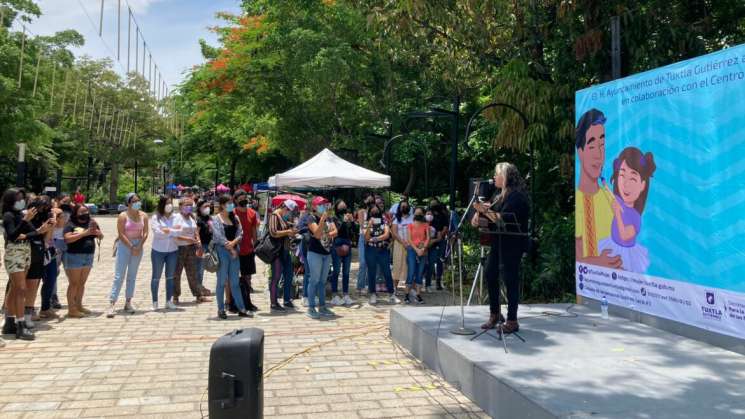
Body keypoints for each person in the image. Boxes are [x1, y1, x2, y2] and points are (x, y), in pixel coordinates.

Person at [472, 162, 530, 333]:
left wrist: (484, 211)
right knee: (490, 273)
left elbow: (503, 219)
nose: (494, 177)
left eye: (497, 174)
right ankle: (495, 313)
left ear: (505, 177)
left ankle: (512, 320)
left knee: (510, 278)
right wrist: (478, 217)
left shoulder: (517, 196)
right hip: (499, 241)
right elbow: (491, 218)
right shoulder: (499, 195)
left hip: (513, 243)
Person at [575, 108, 622, 268]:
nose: (599, 155)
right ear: (580, 152)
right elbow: (579, 256)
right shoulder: (580, 199)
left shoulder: (608, 196)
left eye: (602, 145)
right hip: (593, 286)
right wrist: (598, 263)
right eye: (592, 146)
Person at [598, 147, 657, 273]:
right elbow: (609, 193)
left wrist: (618, 214)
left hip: (627, 254)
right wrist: (602, 180)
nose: (625, 184)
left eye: (633, 178)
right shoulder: (619, 201)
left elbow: (624, 236)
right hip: (612, 245)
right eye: (622, 175)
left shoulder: (635, 218)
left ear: (642, 185)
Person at [2, 189, 44, 340]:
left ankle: (9, 322)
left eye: (22, 198)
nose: (21, 200)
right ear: (10, 200)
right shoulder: (8, 215)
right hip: (14, 254)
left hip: (26, 252)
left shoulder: (20, 215)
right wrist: (25, 221)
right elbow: (12, 235)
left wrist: (40, 229)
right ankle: (20, 324)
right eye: (18, 198)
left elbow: (34, 233)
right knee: (21, 289)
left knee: (15, 288)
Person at [106, 193, 149, 317]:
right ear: (128, 203)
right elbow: (121, 233)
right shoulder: (123, 216)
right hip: (125, 245)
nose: (137, 203)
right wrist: (131, 246)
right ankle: (112, 303)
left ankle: (128, 301)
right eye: (134, 201)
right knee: (119, 275)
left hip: (138, 245)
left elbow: (145, 233)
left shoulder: (144, 216)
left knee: (132, 275)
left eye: (138, 200)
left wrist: (139, 245)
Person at [210, 195, 251, 319]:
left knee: (235, 282)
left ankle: (241, 308)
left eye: (231, 203)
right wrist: (230, 247)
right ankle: (221, 309)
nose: (231, 205)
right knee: (221, 282)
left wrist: (234, 244)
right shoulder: (215, 219)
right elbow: (218, 236)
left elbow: (240, 232)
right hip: (222, 251)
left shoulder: (235, 217)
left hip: (234, 251)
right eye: (229, 203)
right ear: (222, 205)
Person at [63, 203, 103, 318]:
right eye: (81, 212)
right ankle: (71, 309)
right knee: (74, 283)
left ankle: (79, 305)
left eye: (86, 211)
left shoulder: (91, 222)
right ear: (75, 213)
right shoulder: (70, 224)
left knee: (82, 283)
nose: (85, 214)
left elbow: (100, 236)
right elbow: (67, 239)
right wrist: (84, 233)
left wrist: (98, 233)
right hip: (74, 255)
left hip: (88, 255)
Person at [25, 196, 55, 327]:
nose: (43, 210)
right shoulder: (26, 216)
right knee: (20, 286)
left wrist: (50, 228)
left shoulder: (45, 217)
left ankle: (28, 311)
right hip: (25, 252)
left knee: (34, 284)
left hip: (39, 252)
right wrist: (38, 229)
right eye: (41, 207)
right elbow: (20, 234)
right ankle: (14, 313)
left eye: (46, 207)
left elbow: (46, 239)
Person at [173, 196, 210, 305]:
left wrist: (198, 242)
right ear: (180, 206)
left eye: (190, 205)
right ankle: (175, 296)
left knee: (193, 273)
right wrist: (188, 239)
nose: (189, 207)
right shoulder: (176, 218)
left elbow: (196, 232)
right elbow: (174, 235)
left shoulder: (192, 218)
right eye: (186, 205)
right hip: (179, 248)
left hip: (192, 248)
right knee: (176, 273)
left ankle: (198, 295)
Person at [305, 196, 337, 319]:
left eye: (324, 204)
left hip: (326, 253)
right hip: (315, 253)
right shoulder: (311, 218)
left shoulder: (329, 217)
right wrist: (322, 220)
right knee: (314, 280)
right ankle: (311, 307)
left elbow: (335, 231)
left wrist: (327, 233)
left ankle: (322, 306)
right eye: (320, 204)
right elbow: (317, 235)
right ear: (314, 206)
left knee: (323, 282)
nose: (323, 206)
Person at [150, 196, 181, 311]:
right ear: (162, 205)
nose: (169, 205)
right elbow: (157, 233)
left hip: (173, 250)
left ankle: (168, 301)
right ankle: (155, 302)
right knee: (156, 277)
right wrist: (172, 231)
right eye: (167, 203)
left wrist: (168, 231)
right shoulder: (156, 218)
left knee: (170, 277)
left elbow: (179, 231)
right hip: (158, 251)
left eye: (170, 203)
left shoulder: (176, 217)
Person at [364, 206, 398, 305]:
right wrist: (370, 225)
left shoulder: (384, 222)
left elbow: (387, 234)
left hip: (382, 250)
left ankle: (391, 294)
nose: (375, 211)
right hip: (370, 250)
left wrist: (375, 239)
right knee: (371, 272)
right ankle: (373, 294)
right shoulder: (367, 223)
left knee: (387, 271)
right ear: (370, 212)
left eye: (376, 209)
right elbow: (366, 238)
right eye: (372, 209)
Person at [268, 200, 298, 311]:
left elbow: (284, 230)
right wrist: (287, 232)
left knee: (289, 275)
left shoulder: (282, 217)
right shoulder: (275, 216)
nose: (289, 213)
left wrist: (292, 231)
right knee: (276, 277)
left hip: (285, 250)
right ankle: (274, 302)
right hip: (277, 252)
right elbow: (273, 232)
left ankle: (286, 299)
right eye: (289, 211)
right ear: (285, 208)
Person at [234, 190, 259, 312]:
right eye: (241, 198)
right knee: (234, 278)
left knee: (247, 278)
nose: (244, 200)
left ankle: (247, 302)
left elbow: (254, 232)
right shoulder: (232, 213)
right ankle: (232, 302)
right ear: (236, 200)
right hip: (235, 251)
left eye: (245, 198)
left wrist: (257, 246)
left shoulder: (252, 213)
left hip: (248, 250)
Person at [330, 200, 356, 306]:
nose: (343, 206)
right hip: (337, 244)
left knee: (346, 272)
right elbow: (337, 232)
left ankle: (346, 294)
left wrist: (353, 221)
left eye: (345, 204)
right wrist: (344, 222)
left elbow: (354, 231)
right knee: (336, 270)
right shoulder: (334, 218)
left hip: (347, 244)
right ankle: (334, 294)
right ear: (337, 206)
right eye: (341, 204)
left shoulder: (348, 216)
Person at [405, 207, 429, 304]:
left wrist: (423, 249)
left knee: (420, 272)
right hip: (412, 249)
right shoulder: (410, 225)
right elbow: (409, 240)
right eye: (416, 213)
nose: (418, 214)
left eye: (420, 213)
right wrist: (417, 249)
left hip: (422, 250)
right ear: (414, 214)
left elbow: (428, 238)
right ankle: (406, 294)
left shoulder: (426, 225)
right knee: (411, 271)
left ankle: (418, 295)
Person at [425, 199, 448, 291]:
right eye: (432, 204)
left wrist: (439, 236)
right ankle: (428, 283)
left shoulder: (443, 214)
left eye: (435, 203)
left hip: (440, 240)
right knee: (429, 263)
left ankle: (438, 282)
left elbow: (445, 227)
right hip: (429, 242)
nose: (433, 205)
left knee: (439, 261)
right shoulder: (428, 215)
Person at [391, 200, 413, 288]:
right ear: (399, 208)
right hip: (399, 244)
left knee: (409, 265)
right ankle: (394, 288)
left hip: (411, 245)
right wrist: (402, 242)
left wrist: (409, 242)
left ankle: (409, 288)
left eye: (406, 206)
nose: (404, 208)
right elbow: (394, 233)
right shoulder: (396, 219)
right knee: (397, 264)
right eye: (402, 206)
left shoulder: (412, 218)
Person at [355, 194, 374, 295]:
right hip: (363, 237)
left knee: (370, 263)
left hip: (372, 238)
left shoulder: (375, 211)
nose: (370, 200)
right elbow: (362, 225)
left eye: (371, 198)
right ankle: (360, 285)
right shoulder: (361, 211)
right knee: (362, 263)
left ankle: (368, 285)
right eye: (368, 198)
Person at [195, 199, 213, 296]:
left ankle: (200, 286)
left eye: (208, 206)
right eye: (205, 207)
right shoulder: (198, 219)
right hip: (202, 245)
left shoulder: (210, 218)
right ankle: (199, 287)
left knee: (211, 265)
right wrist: (199, 245)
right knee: (200, 268)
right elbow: (196, 232)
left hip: (211, 245)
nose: (207, 208)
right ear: (199, 208)